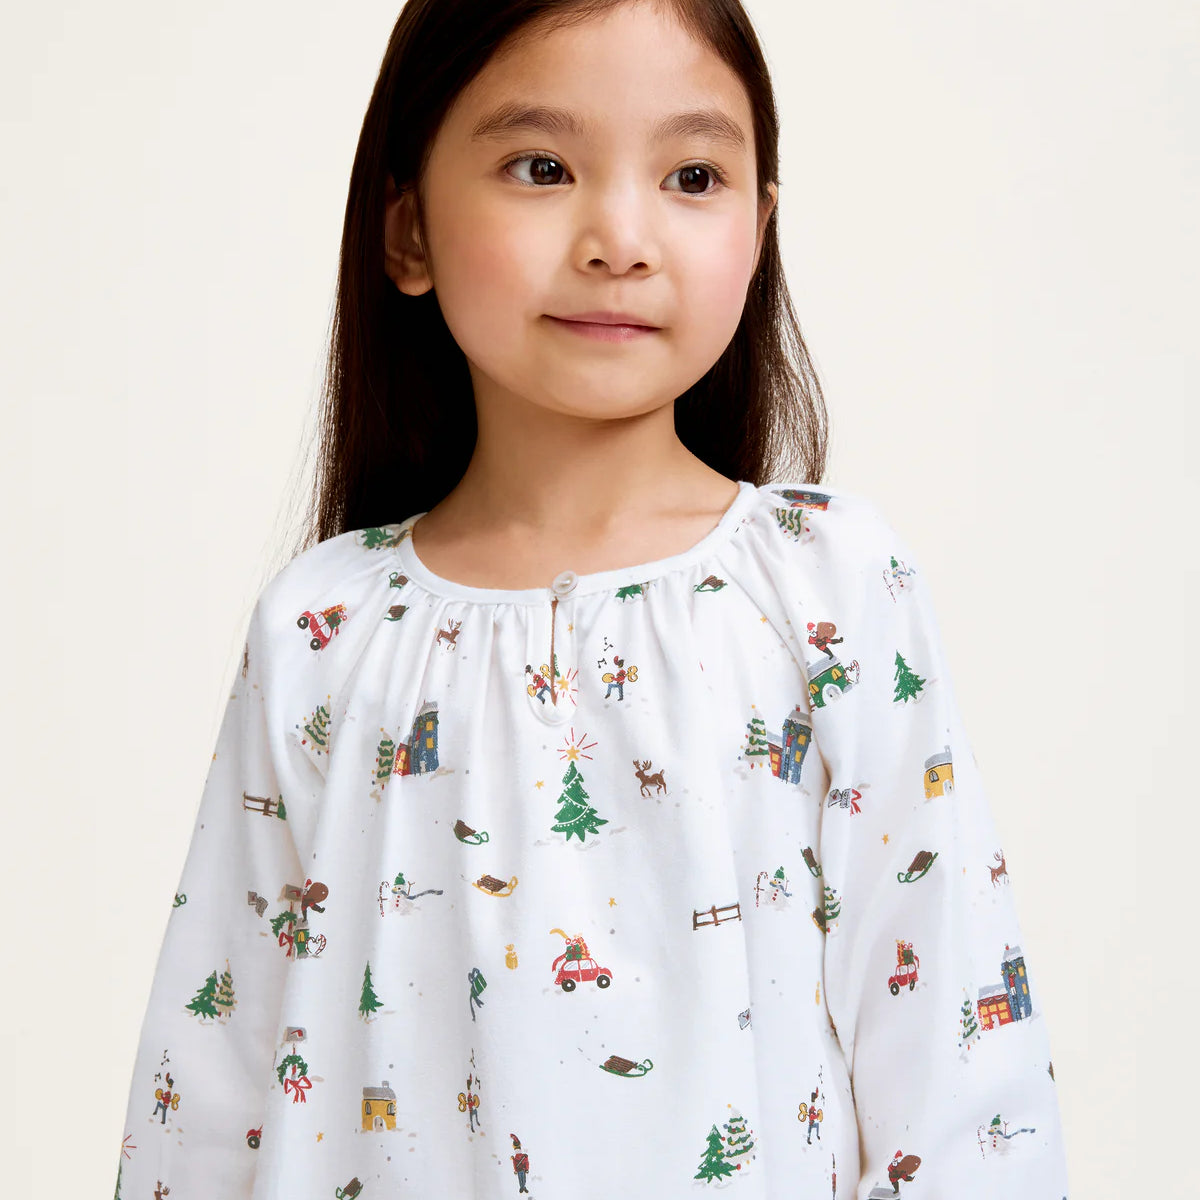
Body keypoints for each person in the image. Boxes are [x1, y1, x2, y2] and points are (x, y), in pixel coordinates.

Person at [113, 0, 1071, 1195]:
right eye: (542, 167)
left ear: (759, 229)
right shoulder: (326, 629)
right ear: (407, 230)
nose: (621, 238)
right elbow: (212, 1087)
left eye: (692, 176)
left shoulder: (828, 587)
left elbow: (962, 1070)